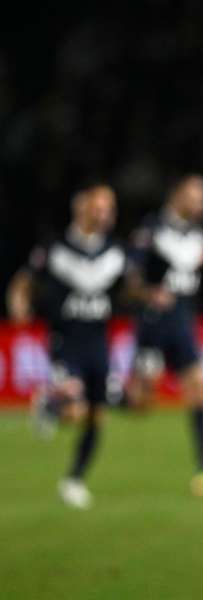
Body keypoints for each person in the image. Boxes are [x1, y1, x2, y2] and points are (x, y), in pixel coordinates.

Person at [6, 183, 126, 509]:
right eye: (99, 207)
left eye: (109, 208)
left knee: (97, 416)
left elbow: (129, 287)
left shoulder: (114, 252)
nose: (105, 213)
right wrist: (19, 303)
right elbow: (24, 281)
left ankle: (74, 479)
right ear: (81, 209)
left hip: (99, 342)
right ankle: (54, 403)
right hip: (65, 340)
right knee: (76, 408)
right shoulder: (56, 248)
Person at [124, 174, 203, 497]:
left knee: (202, 388)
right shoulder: (151, 232)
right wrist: (149, 293)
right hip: (154, 325)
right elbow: (129, 280)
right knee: (141, 402)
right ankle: (89, 397)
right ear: (177, 195)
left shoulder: (197, 238)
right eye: (198, 195)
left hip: (182, 326)